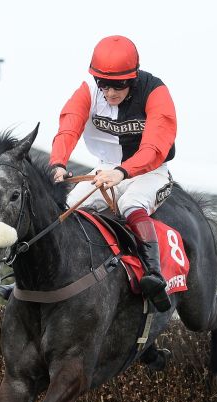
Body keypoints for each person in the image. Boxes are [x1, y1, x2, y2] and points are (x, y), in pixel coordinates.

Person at [47, 35, 177, 312]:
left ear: (134, 76)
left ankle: (153, 274)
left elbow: (155, 146)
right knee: (68, 209)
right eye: (103, 84)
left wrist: (123, 172)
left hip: (150, 171)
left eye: (118, 85)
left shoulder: (155, 92)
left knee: (131, 203)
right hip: (106, 169)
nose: (109, 92)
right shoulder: (87, 90)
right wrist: (58, 162)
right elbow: (69, 126)